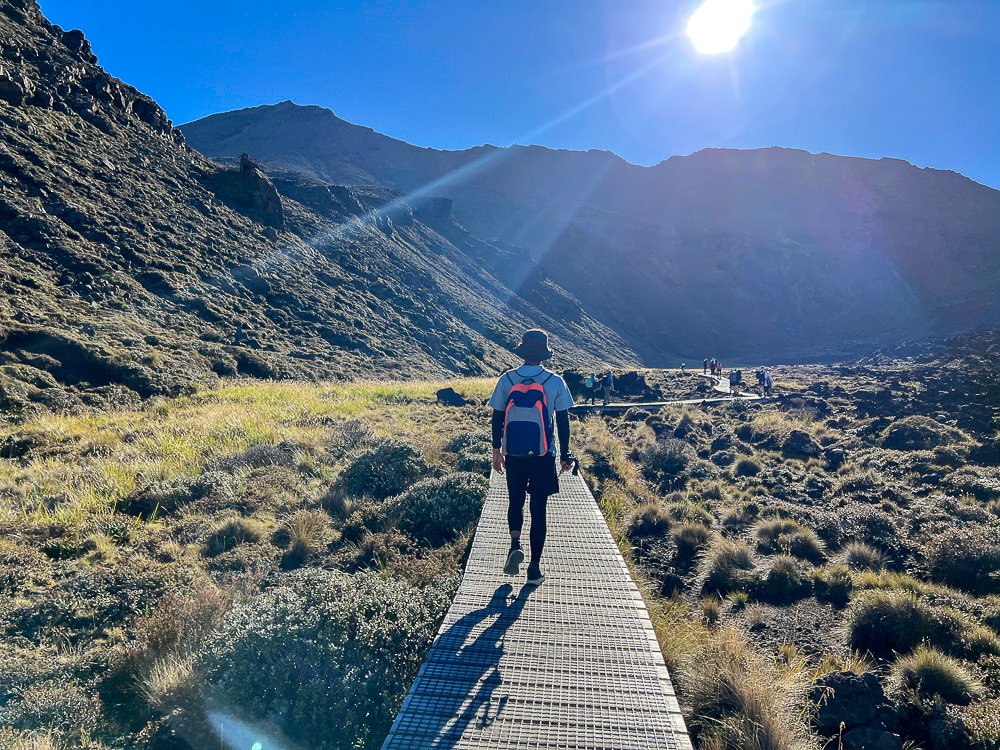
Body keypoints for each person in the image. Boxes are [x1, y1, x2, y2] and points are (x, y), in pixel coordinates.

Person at [490, 329, 574, 586]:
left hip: (514, 453)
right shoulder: (555, 381)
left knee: (515, 500)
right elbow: (562, 421)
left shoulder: (508, 379)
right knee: (539, 510)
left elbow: (497, 417)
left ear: (523, 351)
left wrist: (496, 451)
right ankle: (534, 569)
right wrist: (565, 455)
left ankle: (514, 543)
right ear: (545, 354)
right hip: (543, 455)